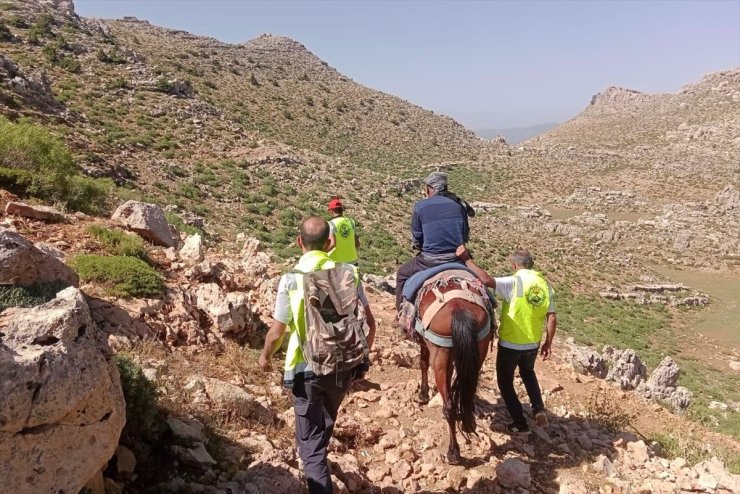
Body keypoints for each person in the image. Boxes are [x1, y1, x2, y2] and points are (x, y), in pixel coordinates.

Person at [259, 217, 376, 493]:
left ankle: (318, 479)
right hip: (343, 368)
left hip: (306, 370)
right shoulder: (350, 272)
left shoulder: (291, 279)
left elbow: (277, 333)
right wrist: (362, 360)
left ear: (299, 242)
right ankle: (319, 462)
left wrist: (265, 357)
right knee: (324, 423)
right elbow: (371, 323)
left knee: (309, 446)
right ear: (331, 243)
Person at [456, 245, 557, 435]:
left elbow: (485, 279)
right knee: (528, 372)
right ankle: (538, 409)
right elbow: (552, 317)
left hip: (511, 343)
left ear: (514, 265)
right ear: (531, 265)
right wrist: (548, 343)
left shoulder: (514, 281)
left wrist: (466, 259)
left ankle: (520, 424)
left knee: (505, 382)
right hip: (532, 343)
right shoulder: (545, 285)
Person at [395, 171, 474, 310]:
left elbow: (417, 239)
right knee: (479, 280)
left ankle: (401, 313)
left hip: (429, 261)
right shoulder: (460, 206)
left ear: (428, 188)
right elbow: (465, 236)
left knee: (402, 274)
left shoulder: (420, 206)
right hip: (458, 259)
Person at [326, 198, 360, 265]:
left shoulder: (330, 224)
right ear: (342, 210)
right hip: (353, 261)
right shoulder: (351, 222)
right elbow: (357, 243)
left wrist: (321, 253)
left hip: (337, 263)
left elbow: (332, 244)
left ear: (331, 211)